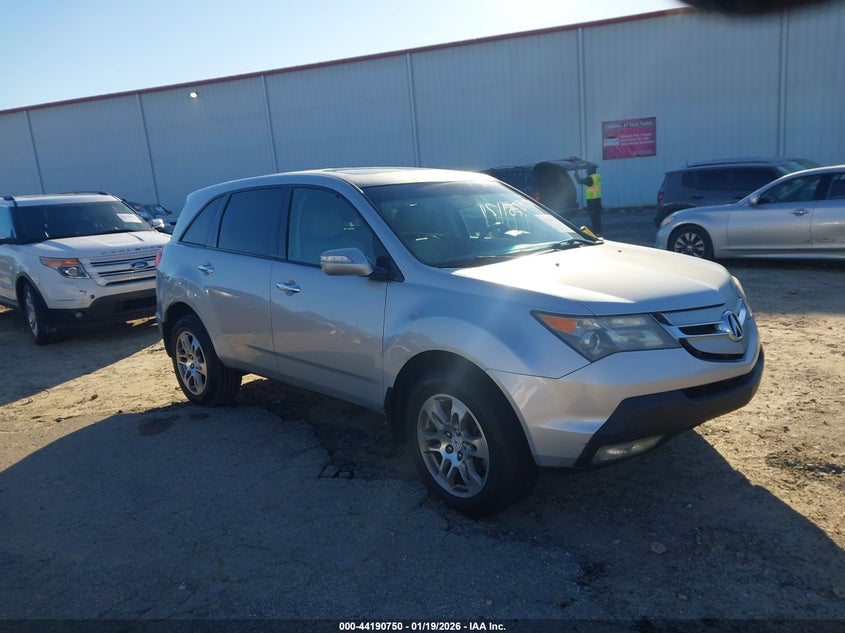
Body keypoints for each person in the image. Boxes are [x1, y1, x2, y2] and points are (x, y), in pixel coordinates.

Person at [575, 165, 603, 234]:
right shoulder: (598, 176)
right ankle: (598, 230)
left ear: (591, 170)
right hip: (597, 199)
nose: (587, 171)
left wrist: (576, 173)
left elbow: (579, 181)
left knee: (593, 217)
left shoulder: (590, 178)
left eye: (588, 170)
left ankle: (596, 232)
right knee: (597, 216)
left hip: (592, 201)